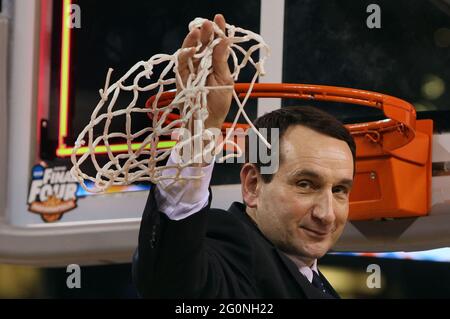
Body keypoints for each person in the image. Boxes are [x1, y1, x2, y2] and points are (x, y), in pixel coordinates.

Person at [132, 14, 356, 299]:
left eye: (339, 190)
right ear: (253, 185)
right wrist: (199, 133)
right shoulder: (233, 253)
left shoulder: (319, 284)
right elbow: (173, 282)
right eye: (305, 184)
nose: (326, 214)